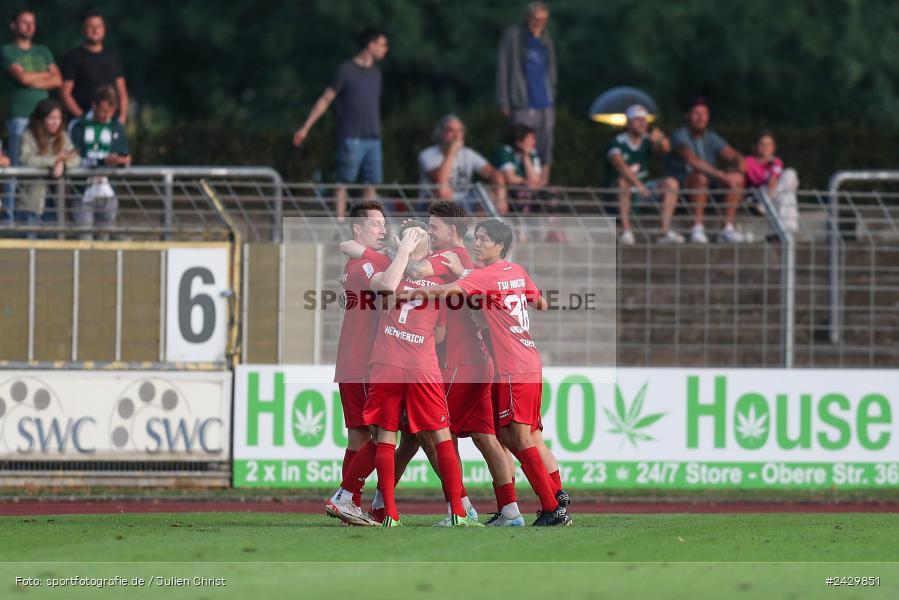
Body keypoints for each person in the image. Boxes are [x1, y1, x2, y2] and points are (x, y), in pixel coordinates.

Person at [404, 219, 571, 526]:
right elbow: (542, 303)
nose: (477, 243)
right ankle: (550, 499)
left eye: (483, 239)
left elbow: (448, 290)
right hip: (528, 361)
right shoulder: (516, 271)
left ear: (499, 246)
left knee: (516, 437)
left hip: (510, 367)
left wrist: (411, 293)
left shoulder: (484, 275)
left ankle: (551, 507)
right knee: (516, 434)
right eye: (476, 238)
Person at [325, 201, 429, 525]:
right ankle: (346, 496)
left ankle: (350, 504)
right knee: (380, 436)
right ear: (358, 229)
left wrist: (399, 248)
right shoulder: (365, 265)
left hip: (355, 361)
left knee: (359, 439)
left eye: (385, 224)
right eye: (376, 225)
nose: (383, 230)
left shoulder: (363, 257)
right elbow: (386, 282)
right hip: (364, 362)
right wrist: (406, 248)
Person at [292, 28, 388, 223]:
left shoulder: (376, 74)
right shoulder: (346, 70)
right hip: (351, 136)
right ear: (371, 45)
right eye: (382, 44)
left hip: (372, 136)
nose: (385, 49)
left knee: (371, 184)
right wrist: (306, 127)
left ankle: (368, 223)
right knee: (343, 182)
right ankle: (340, 222)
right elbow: (326, 99)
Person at [2, 8, 60, 217]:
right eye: (24, 22)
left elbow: (57, 79)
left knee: (45, 167)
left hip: (44, 120)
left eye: (32, 22)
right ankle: (10, 219)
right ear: (14, 25)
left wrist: (30, 77)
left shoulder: (43, 51)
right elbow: (23, 79)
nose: (29, 26)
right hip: (19, 118)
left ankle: (44, 219)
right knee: (16, 169)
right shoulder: (8, 51)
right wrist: (44, 75)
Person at [664, 98, 745, 243]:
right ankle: (697, 227)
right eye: (696, 113)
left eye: (704, 114)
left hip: (710, 183)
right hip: (685, 184)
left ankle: (727, 229)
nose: (701, 118)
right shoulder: (679, 135)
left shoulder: (711, 137)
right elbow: (691, 160)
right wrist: (720, 175)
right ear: (687, 116)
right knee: (700, 177)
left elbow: (733, 155)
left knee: (736, 179)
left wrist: (738, 168)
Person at [606, 105, 684, 245]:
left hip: (644, 188)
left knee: (671, 183)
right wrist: (638, 185)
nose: (642, 123)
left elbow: (665, 149)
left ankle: (664, 232)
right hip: (619, 191)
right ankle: (626, 231)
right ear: (628, 122)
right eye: (637, 119)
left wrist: (660, 139)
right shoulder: (617, 142)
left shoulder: (647, 140)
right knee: (623, 183)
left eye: (644, 120)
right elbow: (620, 166)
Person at [496, 2, 556, 181]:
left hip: (544, 99)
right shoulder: (513, 35)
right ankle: (522, 182)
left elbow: (550, 68)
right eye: (535, 18)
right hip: (521, 99)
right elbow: (503, 67)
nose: (539, 23)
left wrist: (553, 91)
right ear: (527, 17)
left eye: (543, 19)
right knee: (521, 142)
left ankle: (543, 181)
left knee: (546, 141)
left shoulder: (546, 38)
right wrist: (503, 100)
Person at [70, 86, 131, 240]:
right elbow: (75, 156)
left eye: (111, 111)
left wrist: (122, 160)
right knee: (84, 237)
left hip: (108, 190)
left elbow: (124, 153)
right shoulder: (79, 126)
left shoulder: (116, 126)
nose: (107, 115)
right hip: (84, 190)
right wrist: (102, 160)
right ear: (94, 105)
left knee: (104, 237)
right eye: (103, 111)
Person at [418, 115, 505, 214]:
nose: (456, 135)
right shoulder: (427, 154)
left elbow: (494, 174)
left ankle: (476, 227)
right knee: (441, 192)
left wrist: (501, 197)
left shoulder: (468, 154)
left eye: (460, 131)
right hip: (434, 204)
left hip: (465, 201)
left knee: (486, 192)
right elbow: (440, 179)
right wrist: (451, 153)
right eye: (451, 131)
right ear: (441, 133)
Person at [17, 99, 79, 234]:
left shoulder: (63, 136)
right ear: (41, 118)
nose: (55, 122)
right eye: (51, 118)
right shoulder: (28, 135)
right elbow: (26, 159)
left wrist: (62, 163)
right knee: (29, 243)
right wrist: (55, 160)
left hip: (55, 203)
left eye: (58, 118)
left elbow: (75, 158)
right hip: (32, 202)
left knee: (50, 243)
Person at [60, 9, 129, 125]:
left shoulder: (112, 56)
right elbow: (65, 93)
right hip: (83, 123)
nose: (95, 30)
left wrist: (122, 117)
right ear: (83, 30)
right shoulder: (74, 57)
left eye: (99, 26)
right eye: (90, 27)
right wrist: (82, 117)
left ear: (104, 29)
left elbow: (122, 92)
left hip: (110, 122)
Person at [745, 131, 799, 233]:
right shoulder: (748, 161)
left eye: (768, 145)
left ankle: (784, 229)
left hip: (771, 194)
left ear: (773, 148)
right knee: (787, 193)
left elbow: (773, 181)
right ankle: (788, 230)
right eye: (762, 144)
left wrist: (767, 199)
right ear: (756, 146)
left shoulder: (776, 161)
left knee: (790, 175)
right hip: (758, 192)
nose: (765, 147)